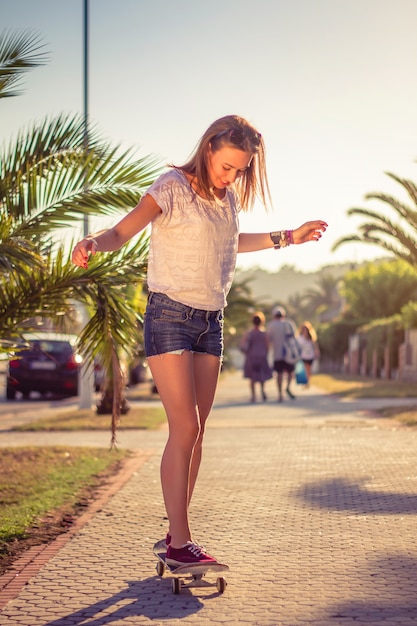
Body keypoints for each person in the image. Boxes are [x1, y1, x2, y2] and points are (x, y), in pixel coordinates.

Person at [71, 114, 327, 566]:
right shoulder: (171, 185)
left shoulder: (227, 202)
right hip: (169, 315)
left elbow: (232, 244)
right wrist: (93, 241)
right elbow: (121, 231)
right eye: (226, 165)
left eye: (240, 170)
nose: (231, 176)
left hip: (211, 321)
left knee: (198, 432)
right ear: (208, 148)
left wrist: (289, 236)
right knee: (184, 427)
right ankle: (179, 544)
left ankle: (174, 533)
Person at [267, 306, 299, 402]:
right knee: (290, 373)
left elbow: (269, 340)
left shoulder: (271, 325)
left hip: (278, 354)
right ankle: (288, 387)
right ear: (283, 315)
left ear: (274, 315)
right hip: (289, 354)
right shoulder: (289, 324)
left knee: (279, 374)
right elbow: (294, 337)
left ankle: (280, 394)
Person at [241, 312, 272, 402]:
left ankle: (253, 396)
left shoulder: (249, 333)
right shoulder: (264, 333)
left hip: (251, 356)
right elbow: (267, 345)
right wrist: (266, 353)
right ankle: (262, 391)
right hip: (261, 356)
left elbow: (243, 343)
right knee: (262, 375)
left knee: (252, 377)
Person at [297, 321, 320, 387]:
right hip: (303, 356)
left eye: (306, 329)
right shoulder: (299, 338)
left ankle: (308, 381)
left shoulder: (311, 338)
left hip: (310, 355)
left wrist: (317, 352)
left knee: (309, 369)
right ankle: (305, 381)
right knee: (305, 369)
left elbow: (315, 346)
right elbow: (298, 347)